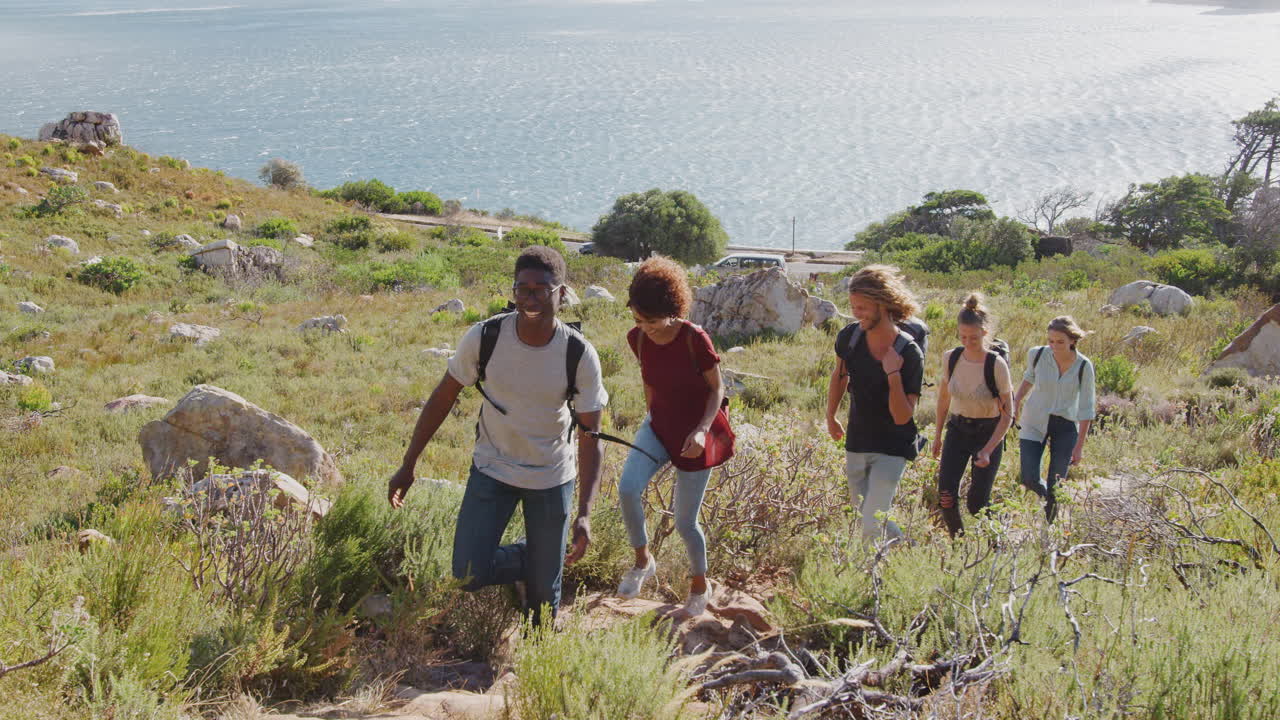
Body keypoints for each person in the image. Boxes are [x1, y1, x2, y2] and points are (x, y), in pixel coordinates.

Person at [386, 246, 609, 625]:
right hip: (493, 468)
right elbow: (442, 399)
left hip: (550, 476)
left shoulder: (578, 355)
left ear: (563, 294)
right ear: (513, 290)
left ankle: (538, 644)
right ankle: (534, 558)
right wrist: (409, 465)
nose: (531, 297)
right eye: (523, 288)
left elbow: (592, 437)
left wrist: (585, 513)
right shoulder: (486, 337)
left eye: (542, 288)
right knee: (468, 572)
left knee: (542, 603)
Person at [615, 256, 725, 616]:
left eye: (651, 320)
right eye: (637, 319)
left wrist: (701, 430)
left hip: (696, 433)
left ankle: (699, 583)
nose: (644, 327)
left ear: (673, 309)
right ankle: (643, 560)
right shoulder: (639, 339)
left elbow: (717, 390)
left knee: (685, 522)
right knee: (628, 488)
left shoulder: (695, 338)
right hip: (659, 427)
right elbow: (650, 379)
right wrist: (651, 418)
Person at [826, 265, 924, 541]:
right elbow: (839, 375)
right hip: (857, 441)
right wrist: (830, 415)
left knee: (872, 519)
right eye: (854, 307)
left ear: (882, 303)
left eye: (863, 307)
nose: (857, 313)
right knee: (865, 516)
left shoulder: (909, 353)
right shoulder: (850, 337)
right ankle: (910, 551)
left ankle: (874, 578)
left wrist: (893, 373)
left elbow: (904, 417)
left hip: (893, 446)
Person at [931, 293, 1013, 537]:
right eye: (963, 337)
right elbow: (944, 398)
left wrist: (988, 449)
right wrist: (937, 435)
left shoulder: (996, 364)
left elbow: (1008, 413)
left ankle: (996, 541)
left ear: (985, 333)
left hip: (988, 433)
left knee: (977, 503)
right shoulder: (951, 358)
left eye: (974, 338)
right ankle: (959, 544)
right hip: (957, 430)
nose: (968, 342)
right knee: (945, 495)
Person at [1012, 316, 1096, 523]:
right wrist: (1015, 402)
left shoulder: (1084, 366)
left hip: (1065, 425)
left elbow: (1086, 408)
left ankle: (1049, 529)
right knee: (1029, 477)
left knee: (1056, 482)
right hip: (1034, 420)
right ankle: (1049, 500)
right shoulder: (1037, 354)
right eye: (1050, 341)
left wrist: (1079, 447)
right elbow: (1028, 378)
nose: (1054, 346)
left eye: (1060, 342)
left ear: (1072, 341)